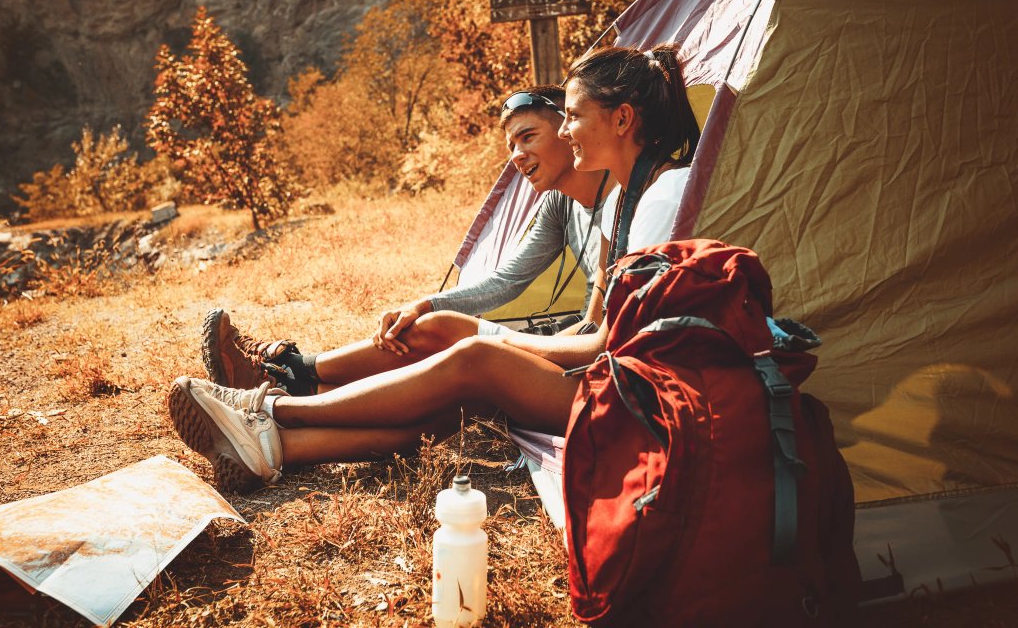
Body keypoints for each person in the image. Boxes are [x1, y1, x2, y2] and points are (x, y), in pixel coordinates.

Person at [167, 44, 701, 493]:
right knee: (461, 385)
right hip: (608, 377)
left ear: (622, 119)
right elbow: (585, 318)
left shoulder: (660, 199)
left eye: (572, 118)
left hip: (628, 398)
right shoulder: (627, 201)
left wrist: (492, 339)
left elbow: (609, 343)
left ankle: (273, 408)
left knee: (473, 354)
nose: (567, 130)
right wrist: (466, 323)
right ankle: (273, 446)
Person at [203, 85, 613, 397]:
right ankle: (291, 379)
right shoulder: (561, 203)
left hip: (587, 351)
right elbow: (507, 282)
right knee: (431, 326)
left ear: (567, 129)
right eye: (511, 145)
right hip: (573, 337)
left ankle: (287, 376)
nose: (516, 156)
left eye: (527, 137)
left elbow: (602, 328)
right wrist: (425, 301)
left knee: (448, 341)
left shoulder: (627, 202)